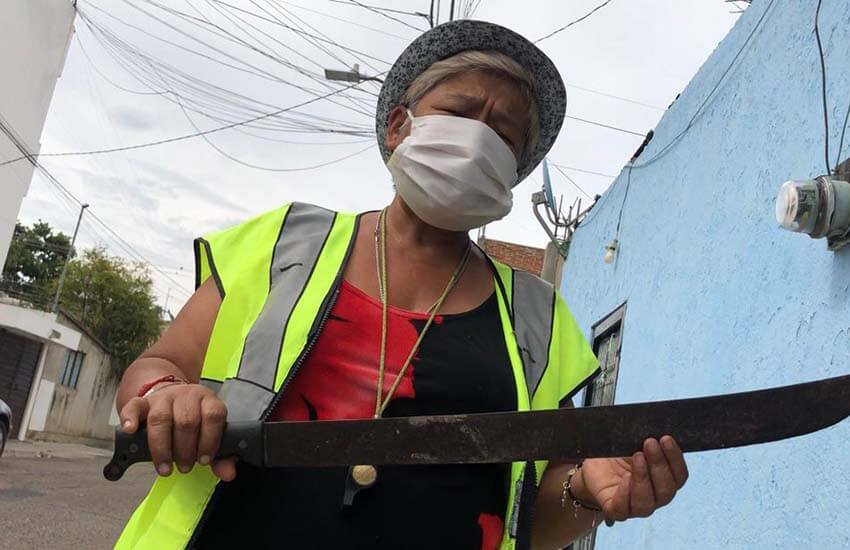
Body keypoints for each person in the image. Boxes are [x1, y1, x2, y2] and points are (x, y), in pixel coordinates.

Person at [114, 20, 688, 550]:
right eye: (461, 112)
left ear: (513, 167)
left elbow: (532, 520)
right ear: (399, 125)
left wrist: (587, 493)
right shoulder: (285, 243)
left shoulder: (537, 318)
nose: (477, 139)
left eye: (502, 133)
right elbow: (157, 365)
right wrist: (164, 395)